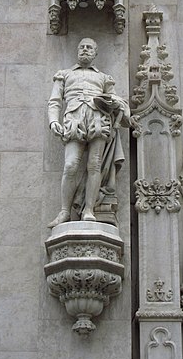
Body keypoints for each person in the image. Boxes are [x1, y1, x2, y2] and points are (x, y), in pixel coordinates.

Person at [48, 38, 129, 228]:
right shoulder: (64, 75)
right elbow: (54, 101)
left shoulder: (103, 78)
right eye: (82, 47)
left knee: (95, 165)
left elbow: (116, 99)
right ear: (77, 51)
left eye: (89, 48)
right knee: (70, 165)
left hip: (97, 119)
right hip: (74, 119)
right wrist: (53, 121)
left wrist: (116, 103)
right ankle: (65, 211)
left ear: (95, 53)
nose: (85, 50)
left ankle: (89, 210)